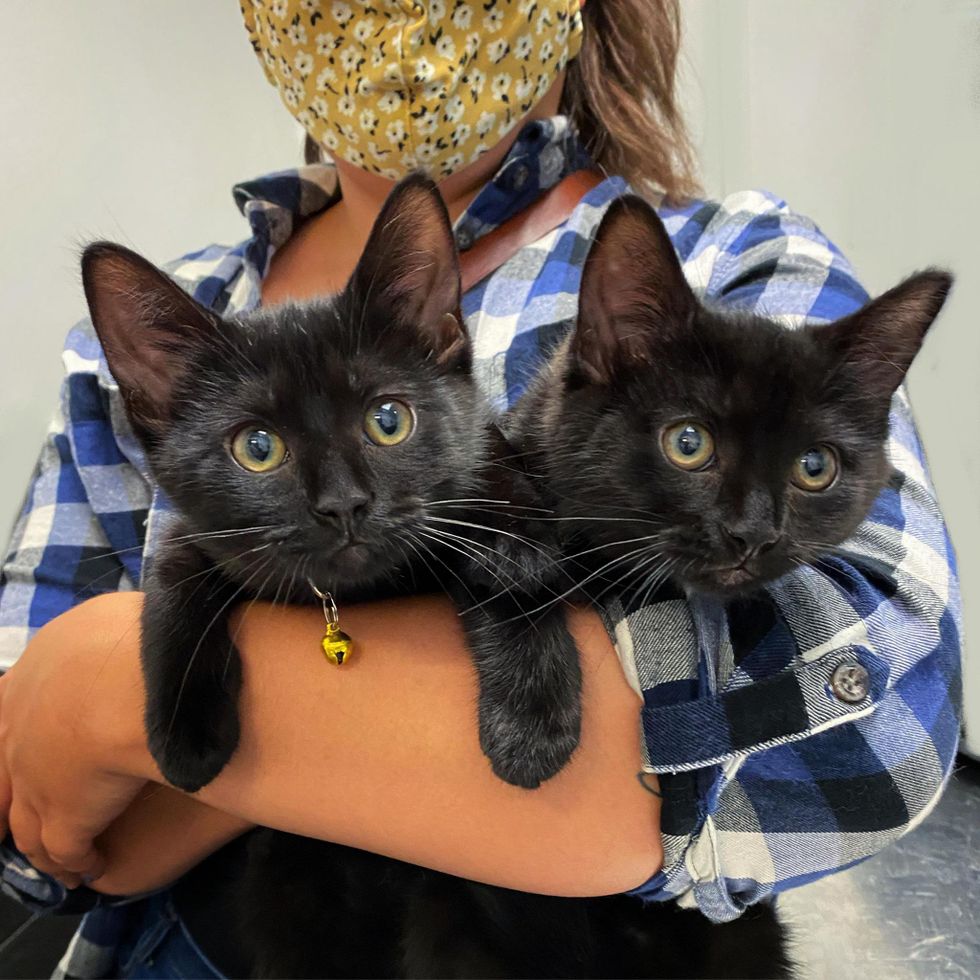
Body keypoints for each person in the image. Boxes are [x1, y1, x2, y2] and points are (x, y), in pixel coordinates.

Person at [0, 1, 960, 976]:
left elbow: (870, 731)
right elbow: (46, 827)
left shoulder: (735, 260)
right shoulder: (146, 341)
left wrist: (121, 687)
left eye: (385, 423)